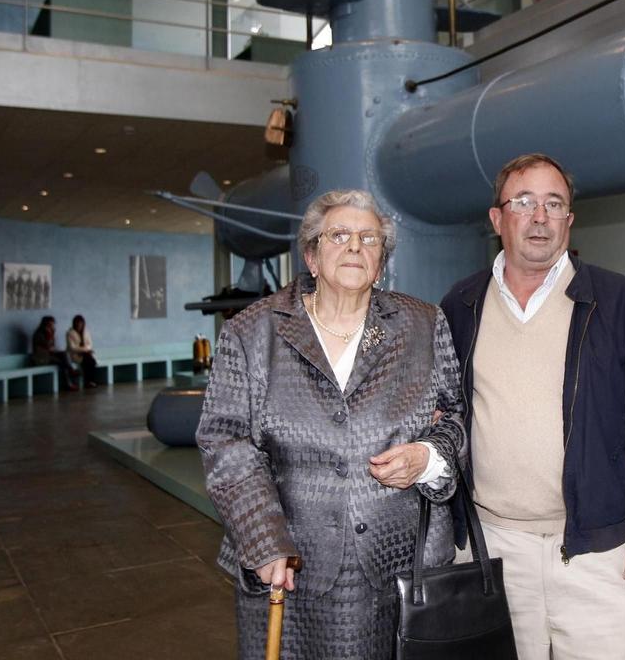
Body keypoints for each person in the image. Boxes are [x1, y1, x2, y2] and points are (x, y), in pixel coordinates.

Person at [440, 153, 625, 660]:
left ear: (569, 220)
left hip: (599, 553)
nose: (540, 216)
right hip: (491, 549)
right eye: (524, 202)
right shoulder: (460, 306)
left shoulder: (622, 305)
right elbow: (442, 413)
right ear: (497, 218)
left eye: (554, 203)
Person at [197, 189, 467, 660]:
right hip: (289, 566)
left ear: (381, 265)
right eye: (339, 235)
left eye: (369, 239)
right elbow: (225, 440)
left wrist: (427, 458)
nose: (355, 247)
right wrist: (263, 539)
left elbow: (456, 417)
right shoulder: (251, 331)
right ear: (312, 256)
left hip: (403, 566)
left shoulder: (424, 324)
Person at [31, 315, 77, 391]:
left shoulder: (49, 333)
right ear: (45, 324)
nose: (52, 326)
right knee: (62, 362)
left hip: (48, 356)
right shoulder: (39, 334)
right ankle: (68, 382)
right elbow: (48, 346)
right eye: (50, 324)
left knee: (63, 354)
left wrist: (51, 335)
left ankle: (71, 372)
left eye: (53, 324)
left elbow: (52, 347)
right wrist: (51, 335)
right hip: (40, 359)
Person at [65, 314, 97, 389]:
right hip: (75, 354)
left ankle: (90, 381)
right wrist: (84, 350)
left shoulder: (86, 332)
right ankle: (89, 381)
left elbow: (90, 344)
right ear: (74, 324)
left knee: (91, 361)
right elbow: (72, 347)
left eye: (81, 324)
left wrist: (86, 350)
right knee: (89, 360)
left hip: (86, 353)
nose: (79, 325)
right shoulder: (70, 333)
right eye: (78, 324)